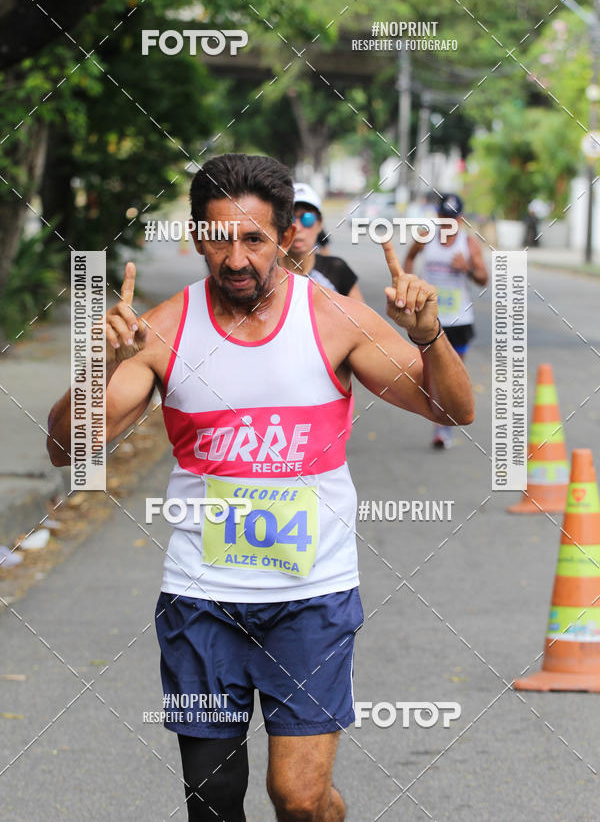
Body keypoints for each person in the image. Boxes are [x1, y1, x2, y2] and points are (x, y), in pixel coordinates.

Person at [47, 154, 474, 822]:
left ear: (286, 238)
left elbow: (452, 410)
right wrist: (99, 361)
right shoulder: (162, 330)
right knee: (213, 800)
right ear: (195, 237)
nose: (236, 257)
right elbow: (65, 445)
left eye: (253, 239)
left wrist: (431, 339)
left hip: (312, 601)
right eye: (219, 238)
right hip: (202, 601)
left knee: (299, 799)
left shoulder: (334, 320)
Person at [404, 192, 488, 449]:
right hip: (432, 320)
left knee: (454, 373)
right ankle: (440, 423)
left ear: (460, 220)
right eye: (443, 217)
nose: (447, 223)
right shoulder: (426, 237)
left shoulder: (469, 244)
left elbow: (484, 278)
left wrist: (468, 268)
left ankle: (445, 425)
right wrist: (410, 282)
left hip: (460, 320)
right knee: (432, 373)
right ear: (437, 216)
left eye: (452, 219)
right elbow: (409, 257)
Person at [282, 182, 363, 299]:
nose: (297, 228)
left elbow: (360, 316)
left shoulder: (336, 270)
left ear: (319, 224)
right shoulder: (266, 273)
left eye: (307, 218)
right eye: (290, 219)